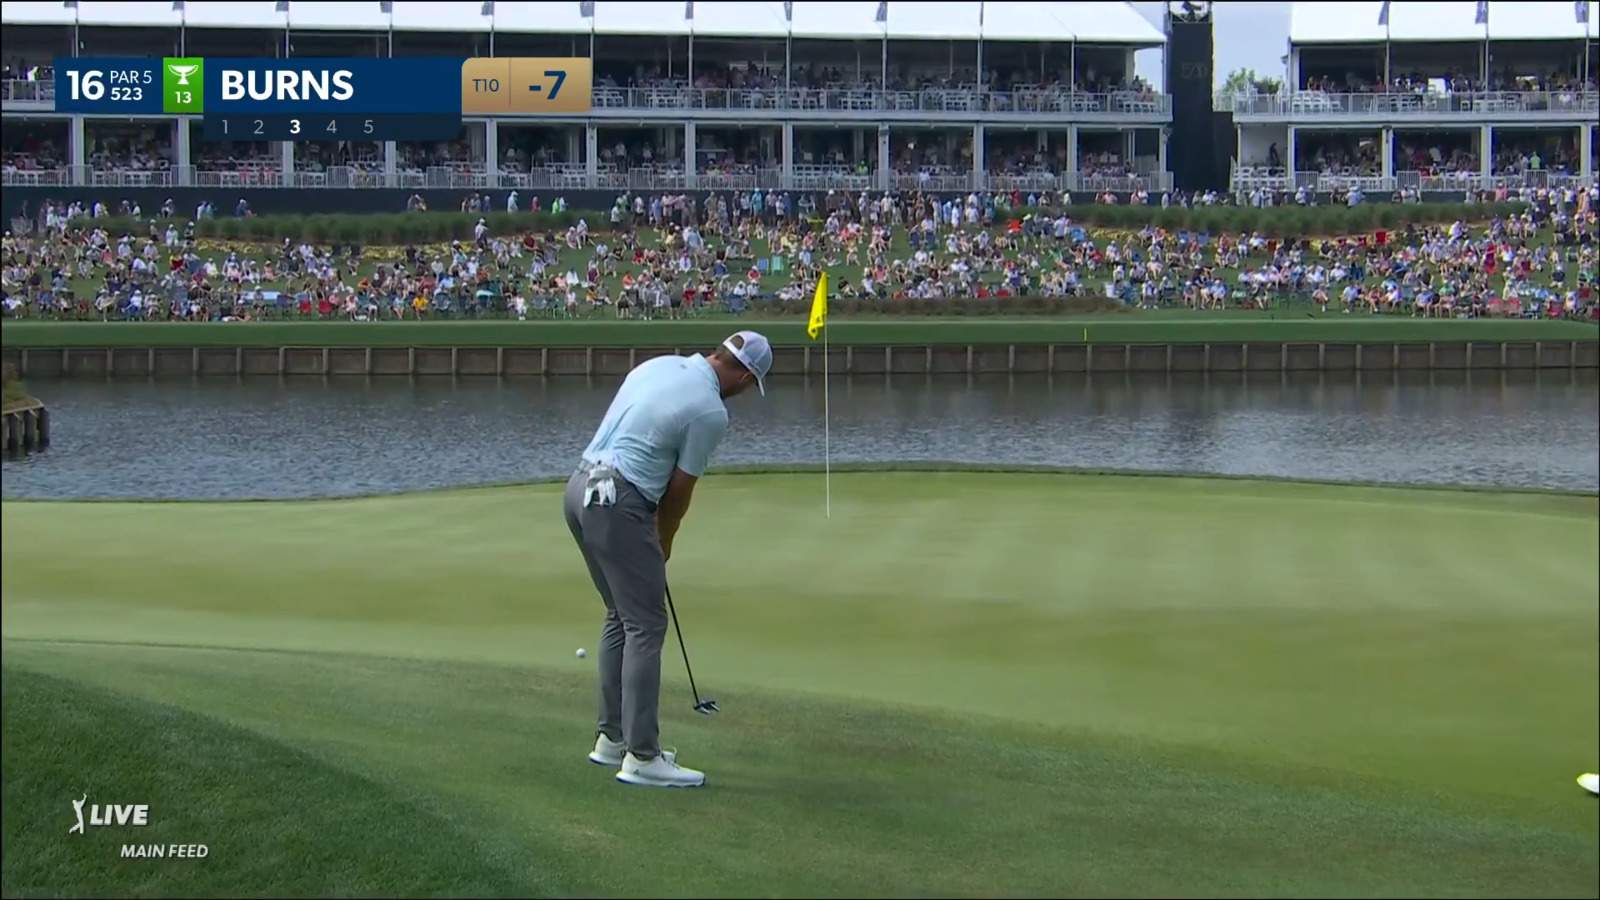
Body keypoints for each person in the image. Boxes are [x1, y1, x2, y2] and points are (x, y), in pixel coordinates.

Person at [563, 331, 771, 788]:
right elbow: (678, 491)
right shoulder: (710, 411)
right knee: (646, 624)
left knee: (621, 614)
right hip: (619, 501)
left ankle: (612, 739)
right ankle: (642, 756)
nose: (743, 394)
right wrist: (663, 542)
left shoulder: (658, 364)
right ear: (743, 376)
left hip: (579, 488)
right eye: (749, 385)